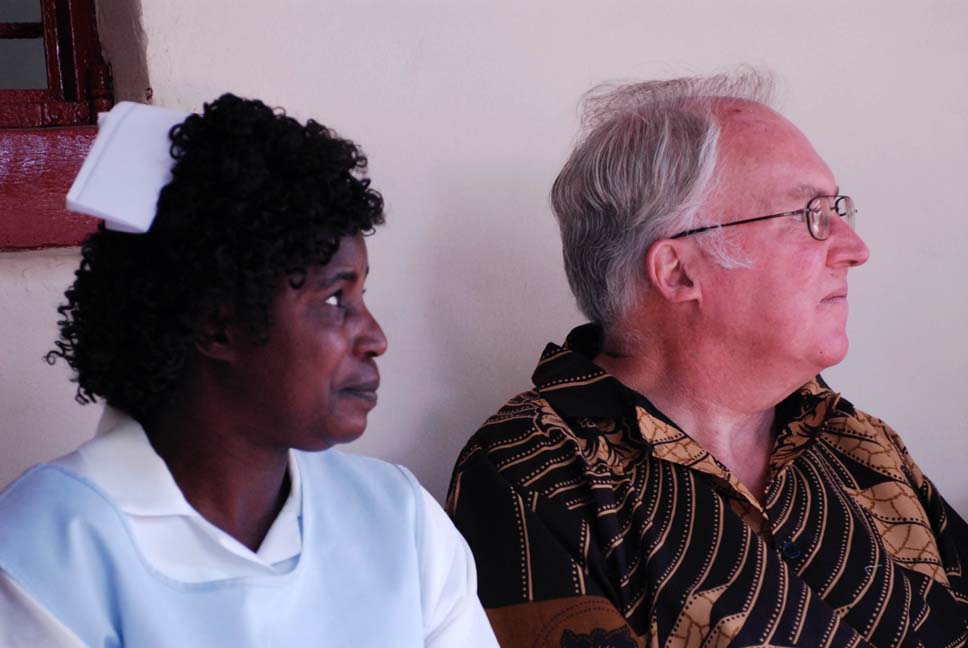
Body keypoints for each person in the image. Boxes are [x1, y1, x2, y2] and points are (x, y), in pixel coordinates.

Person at [447, 71, 968, 647]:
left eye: (839, 209)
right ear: (677, 272)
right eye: (811, 214)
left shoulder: (858, 441)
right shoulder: (536, 476)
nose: (854, 248)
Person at [0, 94, 498, 647]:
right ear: (219, 327)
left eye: (362, 295)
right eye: (335, 299)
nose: (375, 338)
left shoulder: (401, 522)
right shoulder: (45, 552)